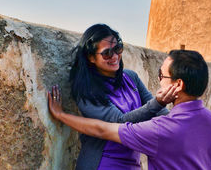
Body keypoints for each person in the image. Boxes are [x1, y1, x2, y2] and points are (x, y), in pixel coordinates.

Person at [49, 49, 211, 170]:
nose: (159, 80)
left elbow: (101, 128)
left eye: (162, 75)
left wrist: (60, 114)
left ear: (178, 84)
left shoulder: (161, 130)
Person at [66, 24, 177, 170]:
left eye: (117, 49)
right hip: (103, 163)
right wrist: (158, 103)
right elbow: (119, 123)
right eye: (107, 53)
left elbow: (159, 113)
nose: (115, 56)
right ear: (91, 57)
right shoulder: (86, 90)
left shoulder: (131, 77)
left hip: (132, 163)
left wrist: (178, 121)